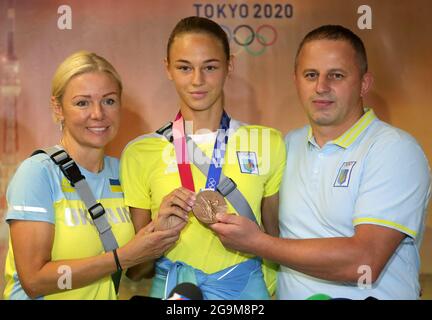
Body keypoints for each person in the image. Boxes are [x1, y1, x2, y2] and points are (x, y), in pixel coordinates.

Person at [211, 25, 431, 300]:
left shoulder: (394, 149)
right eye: (311, 75)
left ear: (364, 83)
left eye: (336, 75)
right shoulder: (286, 146)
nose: (321, 87)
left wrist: (258, 244)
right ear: (296, 81)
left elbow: (364, 261)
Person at [120, 16, 286, 300]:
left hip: (245, 294)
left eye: (210, 67)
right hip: (174, 293)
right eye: (185, 67)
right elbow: (137, 271)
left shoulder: (267, 142)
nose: (197, 80)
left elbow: (275, 245)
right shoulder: (140, 152)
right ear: (168, 69)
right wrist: (158, 233)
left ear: (229, 66)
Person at [2, 51, 185, 300]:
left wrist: (160, 231)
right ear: (58, 109)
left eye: (109, 101)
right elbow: (34, 281)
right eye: (82, 103)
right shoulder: (38, 173)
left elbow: (135, 271)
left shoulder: (123, 172)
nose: (98, 114)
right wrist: (122, 257)